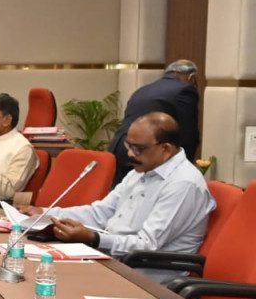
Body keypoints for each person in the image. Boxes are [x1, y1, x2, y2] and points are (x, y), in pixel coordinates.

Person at [20, 112, 213, 284]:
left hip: (145, 277)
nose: (130, 153)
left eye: (138, 148)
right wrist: (46, 213)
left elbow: (147, 245)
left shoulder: (183, 184)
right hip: (113, 260)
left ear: (166, 149)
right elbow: (102, 212)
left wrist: (95, 239)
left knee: (50, 280)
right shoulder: (142, 171)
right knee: (35, 268)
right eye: (129, 145)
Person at [109, 60, 200, 182]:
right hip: (145, 151)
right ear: (191, 77)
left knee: (127, 191)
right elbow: (188, 133)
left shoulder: (143, 89)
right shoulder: (184, 90)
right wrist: (185, 168)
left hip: (122, 147)